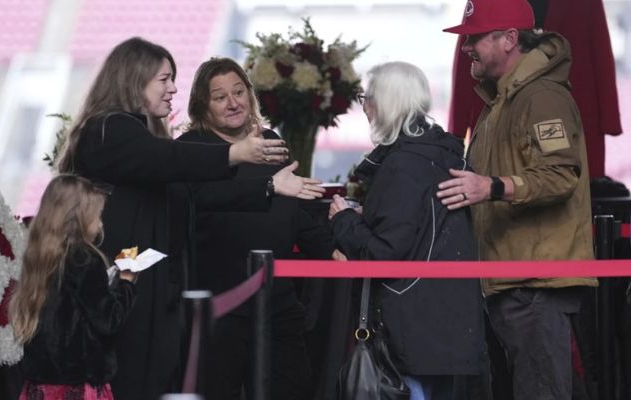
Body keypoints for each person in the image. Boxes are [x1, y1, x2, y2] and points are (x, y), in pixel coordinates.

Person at [56, 37, 321, 400]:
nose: (173, 89)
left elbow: (194, 196)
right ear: (135, 79)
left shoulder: (134, 131)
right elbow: (170, 162)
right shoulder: (110, 129)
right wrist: (235, 153)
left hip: (143, 288)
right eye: (164, 79)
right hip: (125, 293)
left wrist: (269, 187)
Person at [437, 1, 598, 399]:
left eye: (474, 37)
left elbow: (561, 176)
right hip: (513, 282)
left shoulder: (541, 97)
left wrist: (490, 187)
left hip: (534, 284)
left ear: (510, 39)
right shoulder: (502, 103)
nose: (466, 47)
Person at [176, 57, 334, 400]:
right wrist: (269, 188)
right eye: (220, 97)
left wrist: (331, 252)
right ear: (203, 105)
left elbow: (294, 211)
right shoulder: (191, 149)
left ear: (250, 95)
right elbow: (205, 197)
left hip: (277, 300)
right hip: (220, 305)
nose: (233, 103)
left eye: (238, 92)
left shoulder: (271, 141)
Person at [328, 61, 485, 400]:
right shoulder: (445, 154)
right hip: (447, 321)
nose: (364, 106)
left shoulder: (403, 164)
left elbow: (386, 252)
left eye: (365, 98)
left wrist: (344, 220)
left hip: (410, 324)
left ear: (386, 102)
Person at [9, 174, 137, 400]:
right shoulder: (83, 258)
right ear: (80, 217)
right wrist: (126, 282)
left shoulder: (38, 254)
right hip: (77, 387)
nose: (101, 222)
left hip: (39, 387)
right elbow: (109, 320)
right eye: (97, 215)